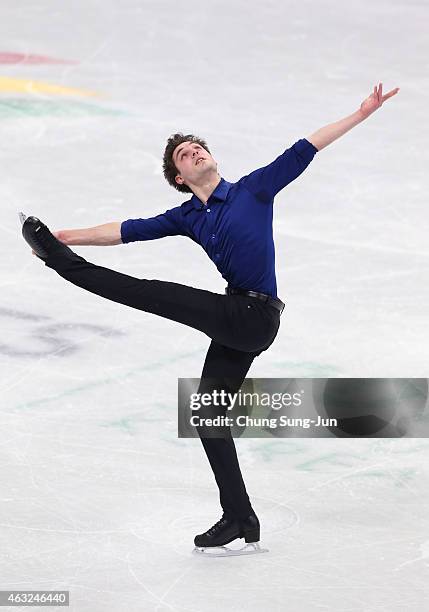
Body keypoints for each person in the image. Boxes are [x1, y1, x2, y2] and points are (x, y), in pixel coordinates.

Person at [22, 83, 399, 556]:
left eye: (197, 147)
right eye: (184, 154)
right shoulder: (187, 216)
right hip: (238, 318)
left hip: (254, 313)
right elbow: (121, 232)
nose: (194, 152)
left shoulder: (254, 190)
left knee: (151, 293)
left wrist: (362, 112)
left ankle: (60, 263)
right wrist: (65, 234)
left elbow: (308, 147)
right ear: (179, 176)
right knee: (207, 414)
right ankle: (240, 516)